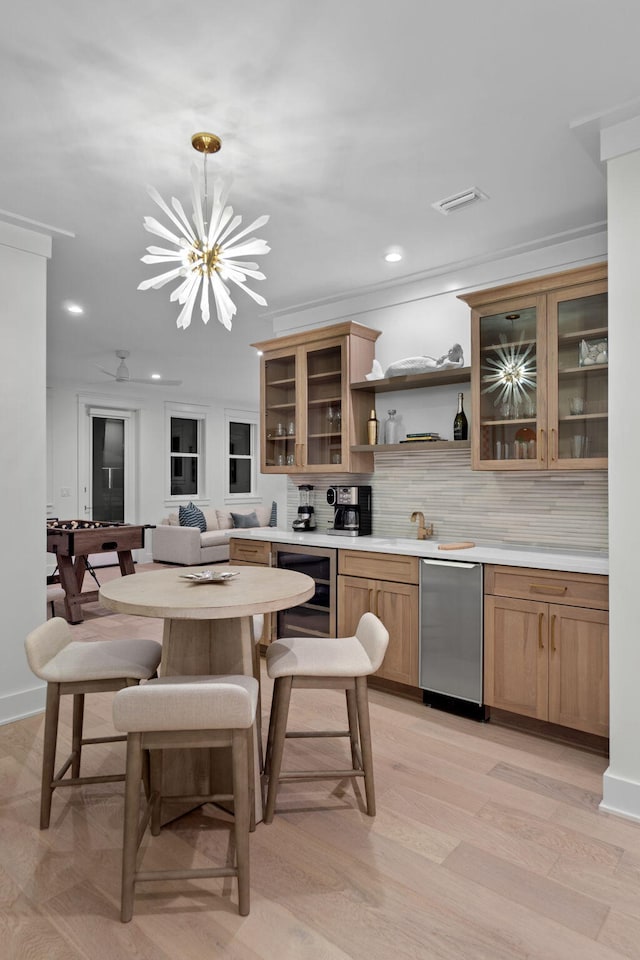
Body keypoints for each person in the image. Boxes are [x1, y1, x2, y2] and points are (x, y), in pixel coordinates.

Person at [384, 343, 464, 378]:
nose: (449, 352)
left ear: (457, 353)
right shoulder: (445, 360)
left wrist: (461, 357)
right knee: (397, 366)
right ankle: (389, 372)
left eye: (452, 351)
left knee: (398, 368)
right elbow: (436, 361)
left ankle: (390, 372)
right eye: (449, 350)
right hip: (425, 363)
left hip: (424, 367)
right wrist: (428, 357)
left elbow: (460, 364)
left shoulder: (449, 363)